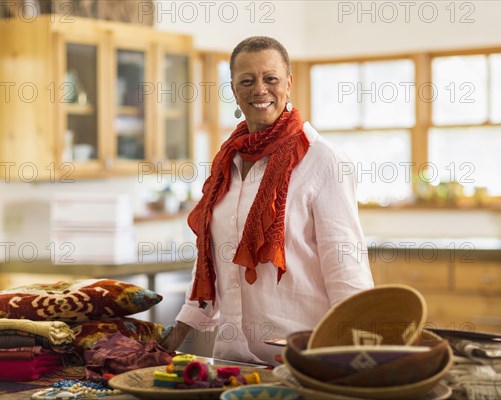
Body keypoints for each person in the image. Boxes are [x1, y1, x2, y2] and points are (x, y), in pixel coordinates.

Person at [160, 36, 373, 365]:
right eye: (247, 81)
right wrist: (165, 345)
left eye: (270, 78)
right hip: (232, 363)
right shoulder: (224, 163)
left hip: (301, 363)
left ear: (288, 83)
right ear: (233, 89)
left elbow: (347, 274)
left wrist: (355, 366)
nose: (259, 89)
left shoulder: (323, 160)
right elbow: (211, 269)